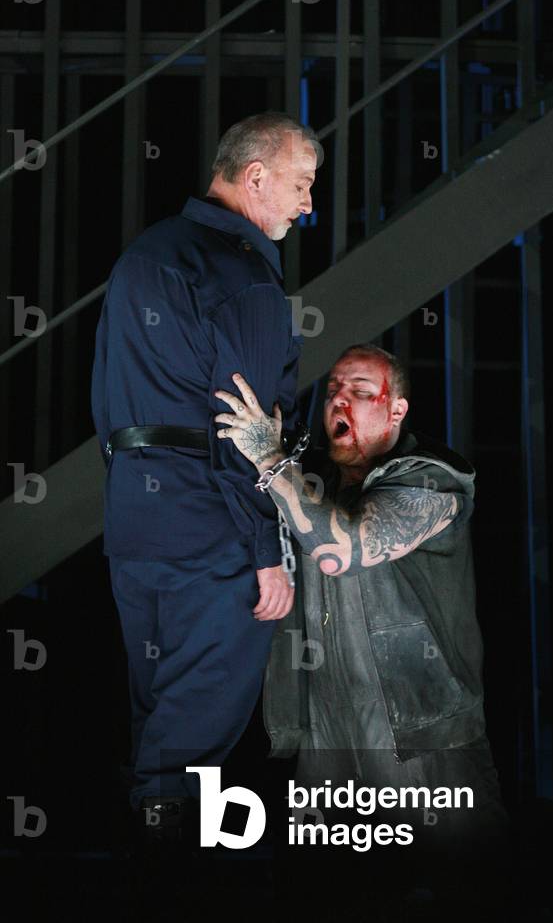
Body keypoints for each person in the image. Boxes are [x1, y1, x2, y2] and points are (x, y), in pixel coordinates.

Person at [214, 343, 513, 920]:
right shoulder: (316, 476)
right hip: (329, 744)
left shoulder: (432, 482)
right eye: (332, 392)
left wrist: (271, 461)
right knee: (318, 898)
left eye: (358, 390)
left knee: (472, 896)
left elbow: (340, 549)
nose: (339, 401)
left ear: (396, 411)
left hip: (424, 742)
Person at [90, 111, 319, 843]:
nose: (307, 203)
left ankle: (146, 866)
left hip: (135, 522)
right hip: (214, 534)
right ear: (255, 177)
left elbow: (107, 402)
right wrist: (265, 550)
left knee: (159, 716)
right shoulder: (243, 277)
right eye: (300, 184)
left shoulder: (144, 255)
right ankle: (163, 887)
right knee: (191, 740)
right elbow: (246, 431)